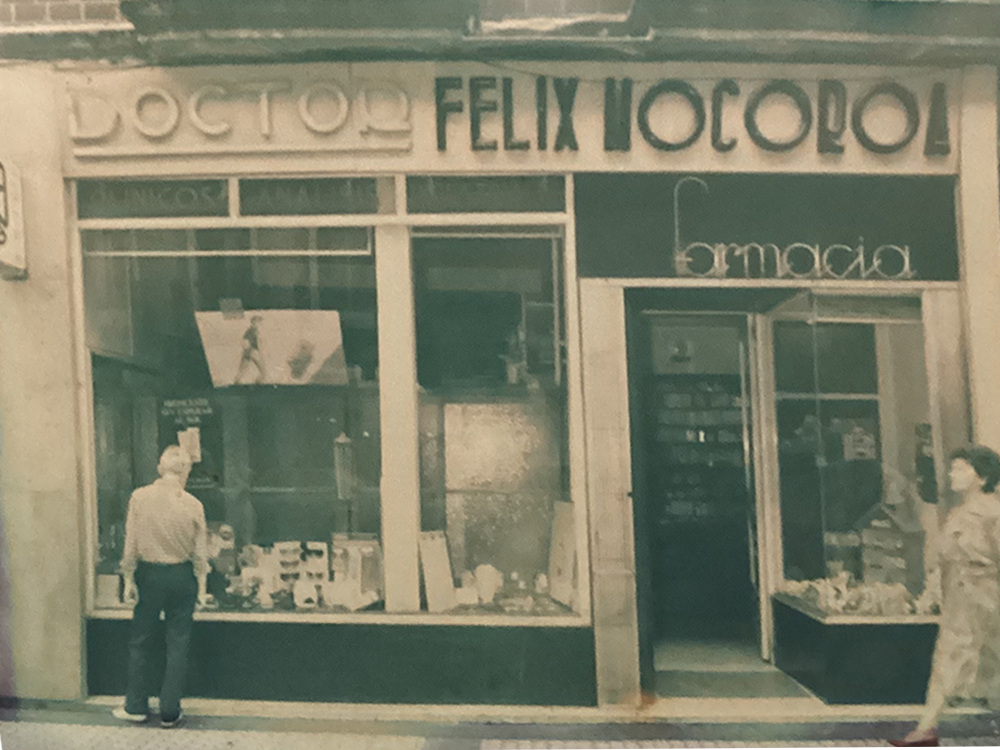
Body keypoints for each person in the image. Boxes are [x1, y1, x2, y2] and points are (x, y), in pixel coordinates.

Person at [892, 445, 1000, 747]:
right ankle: (927, 727)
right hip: (960, 599)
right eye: (953, 468)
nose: (952, 474)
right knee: (957, 658)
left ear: (982, 477)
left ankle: (927, 727)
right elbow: (945, 558)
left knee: (956, 658)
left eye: (961, 469)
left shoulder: (993, 513)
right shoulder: (958, 513)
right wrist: (933, 589)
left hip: (984, 600)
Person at [112, 446, 209, 729]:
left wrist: (129, 579)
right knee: (178, 643)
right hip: (182, 575)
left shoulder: (139, 498)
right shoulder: (194, 504)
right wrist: (202, 588)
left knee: (141, 641)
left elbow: (130, 544)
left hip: (149, 575)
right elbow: (200, 554)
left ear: (159, 468)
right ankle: (170, 711)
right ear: (186, 471)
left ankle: (136, 706)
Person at [235, 314, 265, 384]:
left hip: (247, 353)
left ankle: (236, 383)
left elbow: (244, 341)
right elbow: (245, 342)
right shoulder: (252, 331)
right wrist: (252, 350)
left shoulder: (250, 331)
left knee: (241, 370)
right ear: (254, 322)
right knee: (263, 372)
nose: (260, 324)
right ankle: (258, 384)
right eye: (259, 322)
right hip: (252, 352)